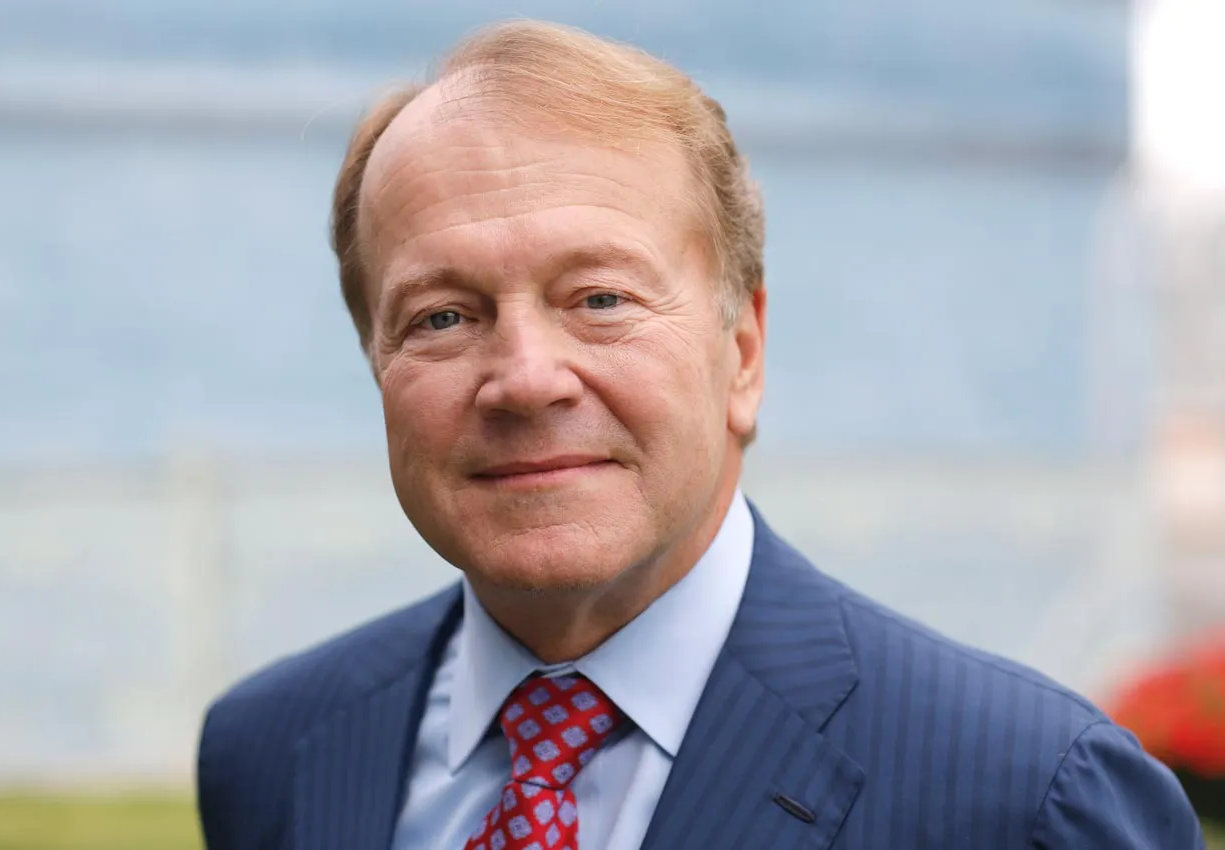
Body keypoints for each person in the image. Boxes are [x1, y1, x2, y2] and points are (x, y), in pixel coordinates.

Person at [195, 19, 1204, 850]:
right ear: (375, 359)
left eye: (597, 297)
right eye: (442, 317)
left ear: (743, 352)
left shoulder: (1025, 798)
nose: (525, 378)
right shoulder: (273, 750)